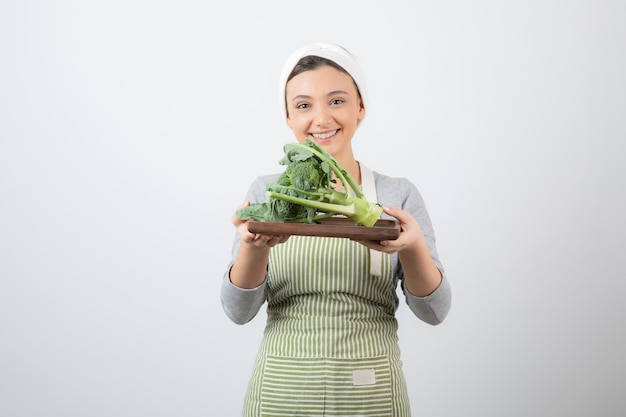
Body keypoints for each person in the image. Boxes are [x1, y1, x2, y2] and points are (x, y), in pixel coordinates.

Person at [221, 42, 452, 417]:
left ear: (360, 107)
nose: (321, 118)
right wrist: (253, 247)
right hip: (282, 393)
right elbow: (238, 311)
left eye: (337, 101)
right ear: (288, 117)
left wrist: (413, 248)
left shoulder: (398, 194)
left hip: (371, 394)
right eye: (303, 105)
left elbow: (435, 312)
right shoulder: (269, 193)